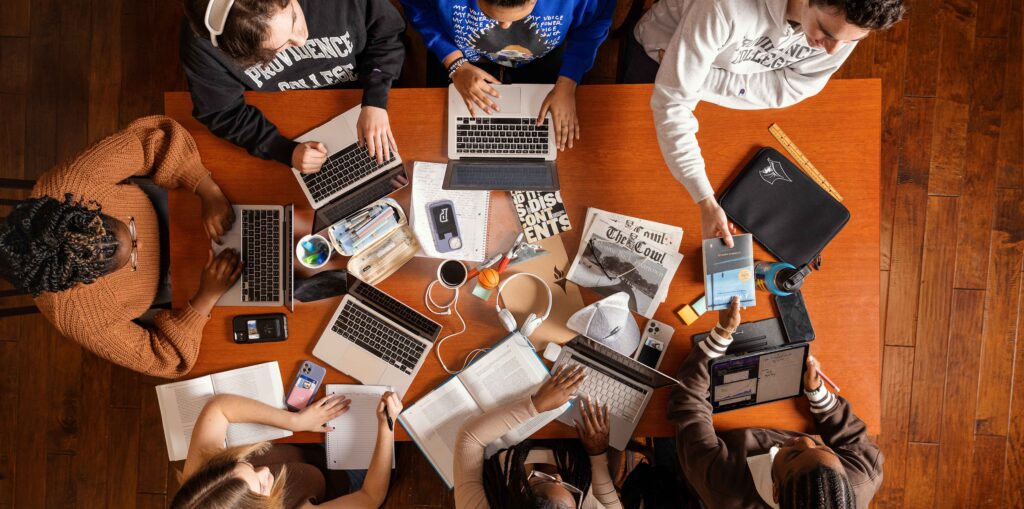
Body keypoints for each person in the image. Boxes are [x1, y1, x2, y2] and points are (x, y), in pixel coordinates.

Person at [628, 0, 904, 246]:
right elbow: (673, 105)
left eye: (850, 42)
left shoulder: (841, 31)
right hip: (657, 55)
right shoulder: (722, 7)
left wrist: (701, 80)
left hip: (718, 87)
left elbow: (791, 87)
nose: (833, 52)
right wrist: (704, 199)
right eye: (826, 32)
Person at [0, 116, 242, 378]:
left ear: (84, 209)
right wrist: (205, 298)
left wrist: (206, 188)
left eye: (127, 229)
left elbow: (152, 138)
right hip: (182, 285)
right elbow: (167, 361)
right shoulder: (77, 316)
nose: (139, 244)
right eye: (129, 256)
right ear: (83, 280)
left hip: (171, 204)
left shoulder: (71, 183)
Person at [670, 297, 883, 508]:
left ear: (776, 490)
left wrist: (720, 336)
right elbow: (853, 440)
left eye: (793, 454)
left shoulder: (722, 484)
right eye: (824, 449)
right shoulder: (861, 478)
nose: (804, 441)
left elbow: (688, 405)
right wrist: (819, 396)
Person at [180, 0, 406, 172]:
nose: (301, 40)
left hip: (366, 92)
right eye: (281, 46)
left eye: (295, 18)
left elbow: (386, 35)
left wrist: (375, 99)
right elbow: (221, 111)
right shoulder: (204, 46)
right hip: (288, 116)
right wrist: (284, 150)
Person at [400, 0, 616, 151]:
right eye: (489, 14)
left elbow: (594, 23)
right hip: (458, 58)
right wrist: (455, 63)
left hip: (544, 60)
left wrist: (568, 82)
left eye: (518, 15)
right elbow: (418, 7)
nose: (503, 27)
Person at [171, 391, 402, 508]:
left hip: (304, 446)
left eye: (248, 465)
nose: (264, 472)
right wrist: (387, 425)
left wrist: (296, 422)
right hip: (342, 476)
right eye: (261, 486)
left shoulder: (203, 490)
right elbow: (370, 497)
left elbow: (218, 407)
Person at [454, 365, 624, 508]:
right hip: (577, 445)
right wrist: (598, 454)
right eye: (572, 492)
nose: (558, 478)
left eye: (541, 482)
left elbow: (469, 439)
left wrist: (536, 405)